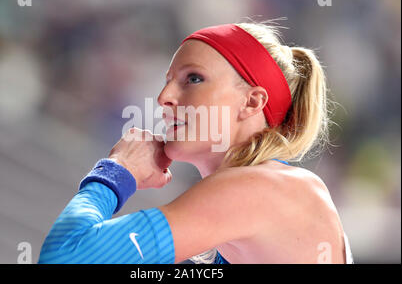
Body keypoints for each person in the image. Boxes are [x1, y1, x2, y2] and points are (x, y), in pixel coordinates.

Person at [38, 21, 354, 264]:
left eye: (193, 78)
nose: (164, 98)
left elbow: (65, 257)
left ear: (252, 102)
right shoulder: (269, 192)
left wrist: (117, 171)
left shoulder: (263, 189)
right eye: (167, 81)